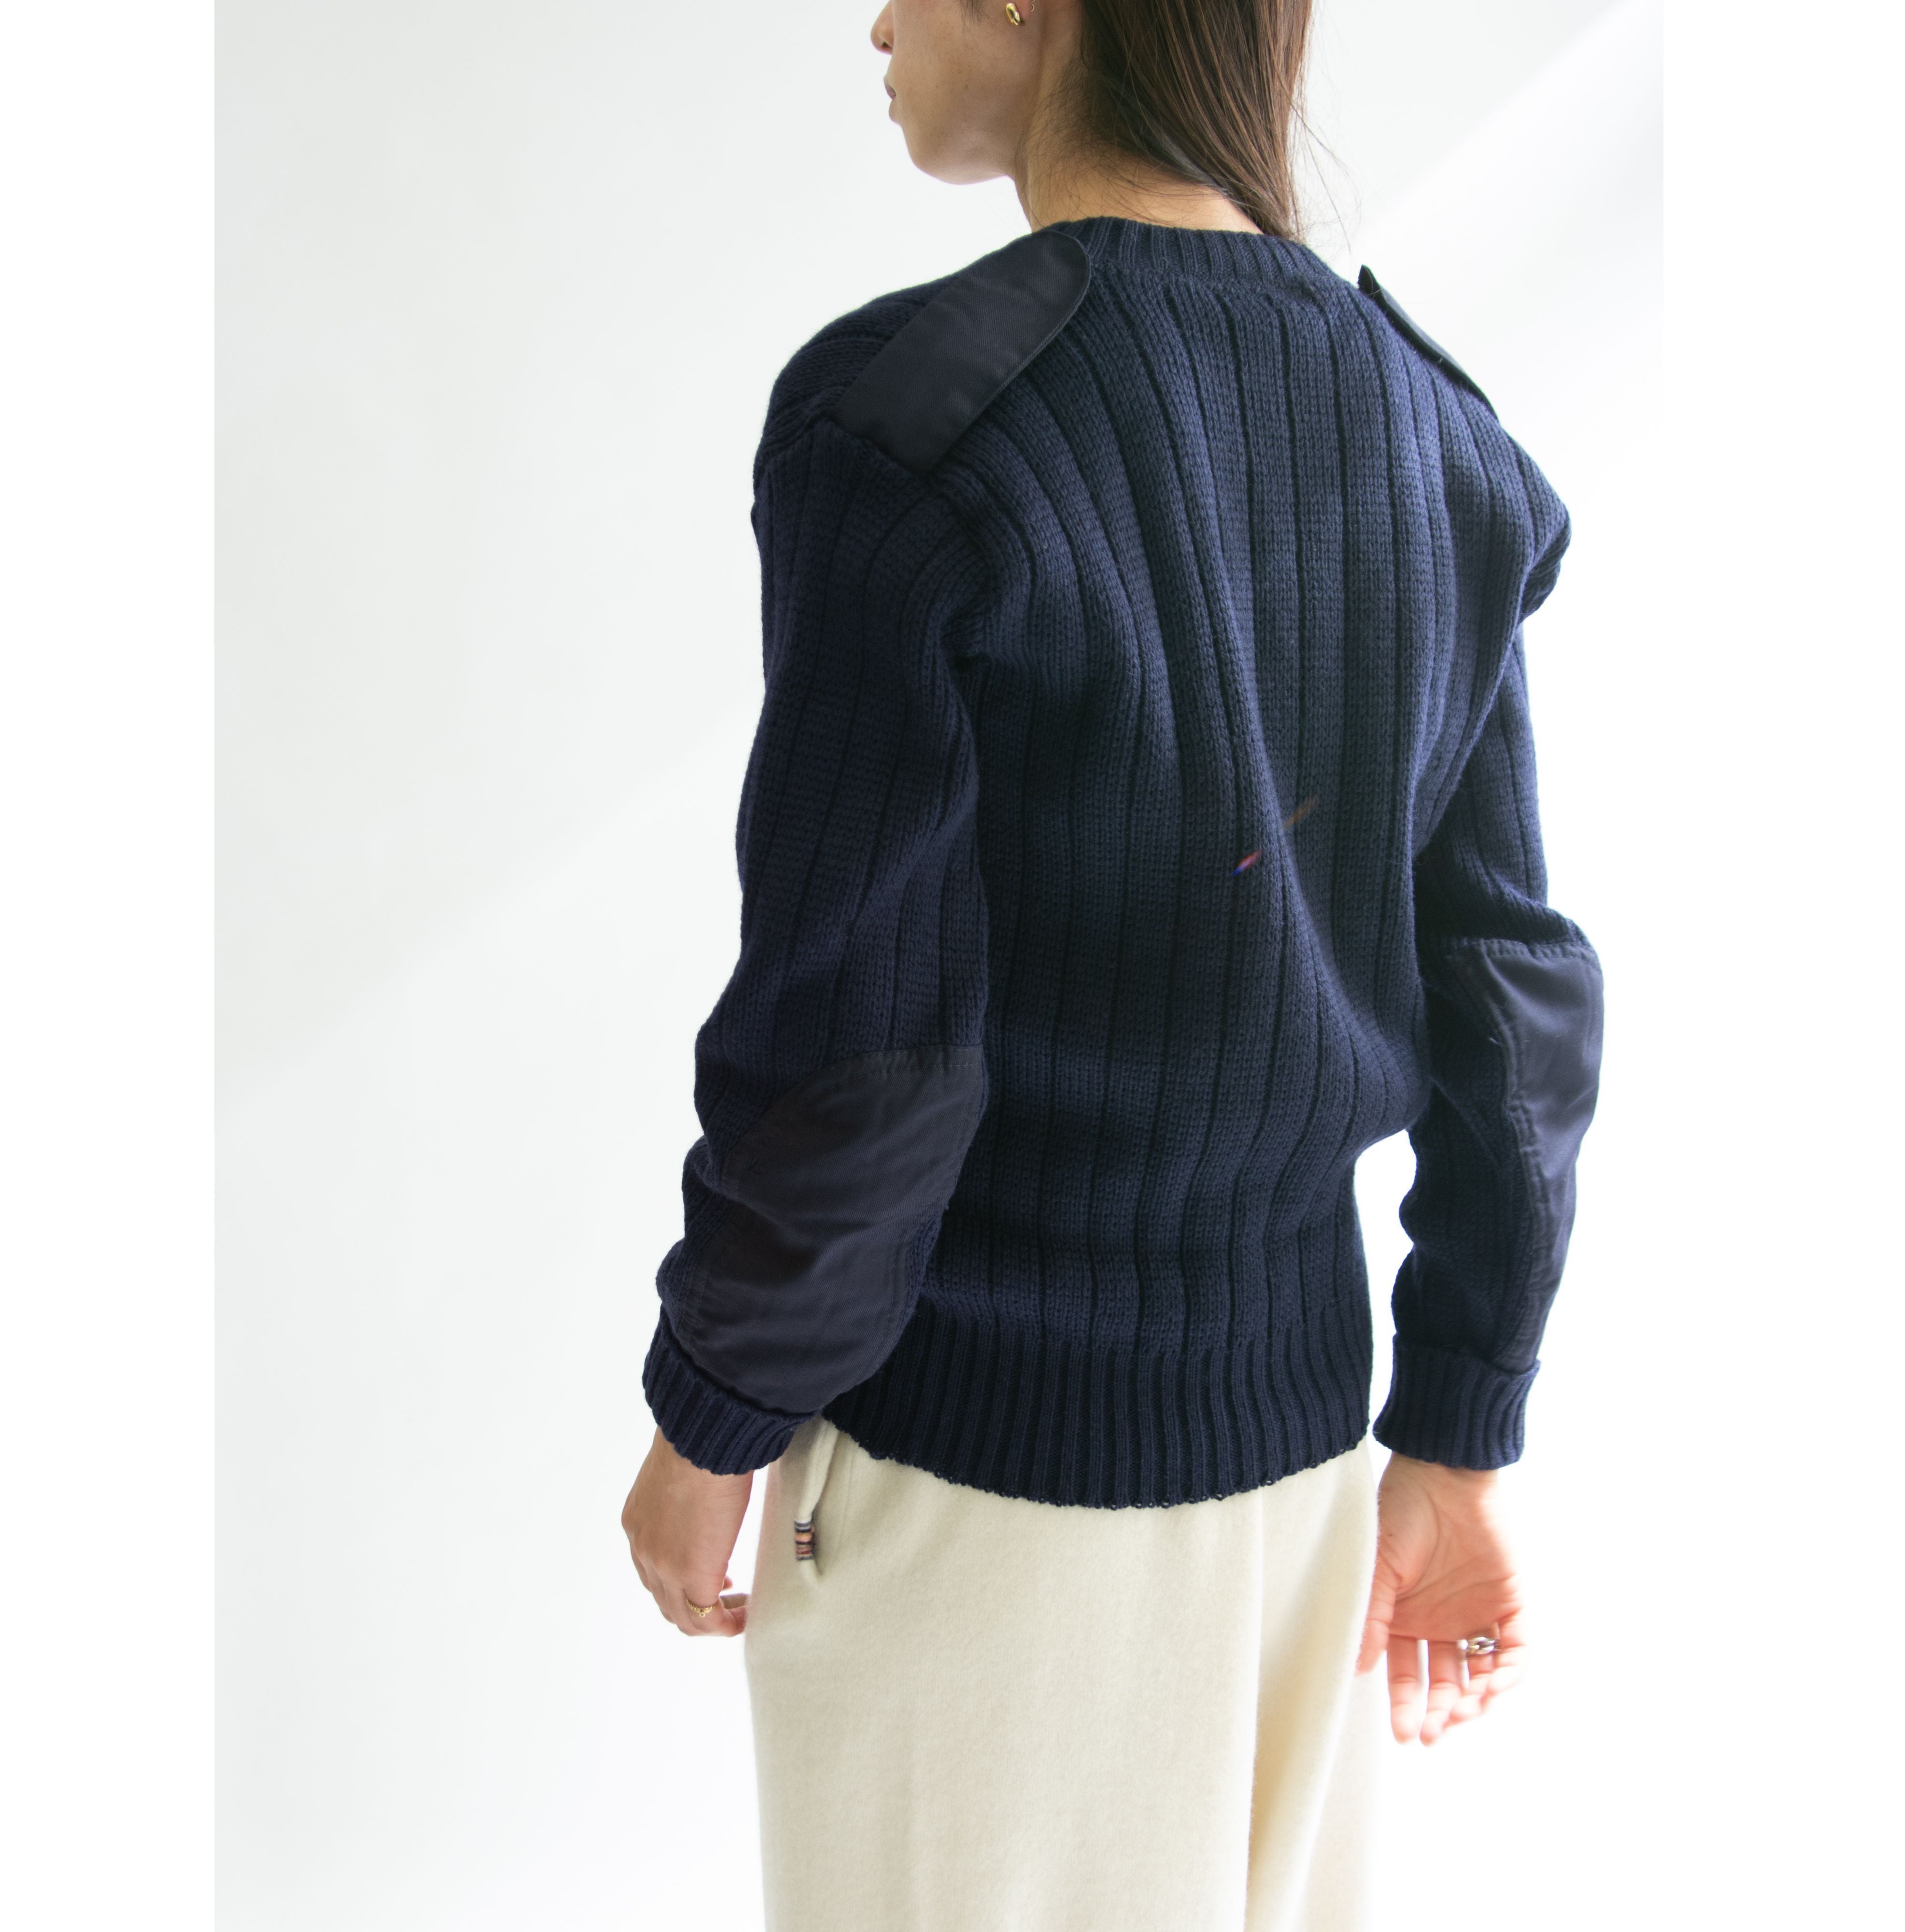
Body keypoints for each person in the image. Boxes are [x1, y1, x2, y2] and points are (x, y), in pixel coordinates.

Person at [622, 0, 1605, 1924]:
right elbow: (1513, 990)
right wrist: (1456, 1431)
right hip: (1301, 1495)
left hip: (977, 1503)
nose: (878, 20)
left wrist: (712, 1410)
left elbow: (860, 1043)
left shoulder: (911, 421)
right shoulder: (1436, 429)